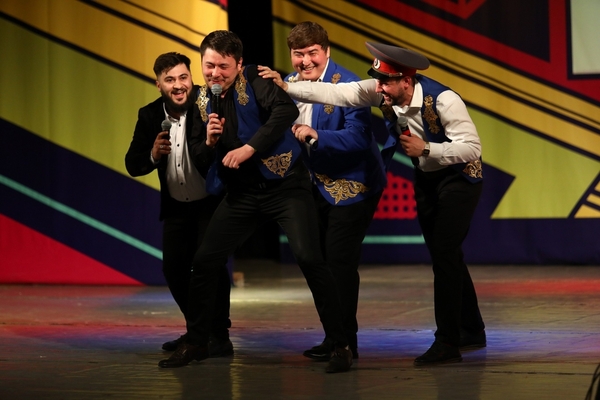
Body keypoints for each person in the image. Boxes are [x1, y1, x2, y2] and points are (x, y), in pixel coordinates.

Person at [262, 41, 486, 366]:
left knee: (444, 253)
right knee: (446, 254)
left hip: (460, 178)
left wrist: (427, 149)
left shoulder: (444, 100)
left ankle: (448, 342)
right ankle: (471, 329)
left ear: (406, 81)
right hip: (427, 177)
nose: (378, 89)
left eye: (385, 83)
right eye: (377, 81)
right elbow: (338, 93)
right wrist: (287, 87)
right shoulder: (381, 90)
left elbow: (472, 148)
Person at [157, 30, 353, 373]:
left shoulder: (256, 79)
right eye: (209, 65)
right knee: (204, 261)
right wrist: (209, 142)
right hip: (243, 193)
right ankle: (199, 341)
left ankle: (340, 344)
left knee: (310, 258)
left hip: (285, 187)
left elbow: (285, 111)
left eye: (223, 66)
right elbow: (201, 158)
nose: (215, 73)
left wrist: (250, 148)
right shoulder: (203, 100)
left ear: (238, 64)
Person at [258, 22, 386, 361]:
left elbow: (359, 138)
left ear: (327, 52)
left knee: (339, 262)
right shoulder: (287, 83)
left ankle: (346, 343)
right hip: (307, 186)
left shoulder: (350, 85)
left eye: (312, 53)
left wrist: (316, 134)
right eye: (298, 54)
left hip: (352, 184)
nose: (305, 61)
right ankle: (333, 337)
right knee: (315, 263)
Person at [125, 52, 233, 357]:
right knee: (173, 269)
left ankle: (218, 335)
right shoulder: (149, 115)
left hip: (210, 203)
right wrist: (153, 155)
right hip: (176, 207)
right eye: (170, 80)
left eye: (183, 77)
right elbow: (133, 164)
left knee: (209, 267)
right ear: (158, 84)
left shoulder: (209, 105)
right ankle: (199, 331)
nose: (178, 85)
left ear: (191, 79)